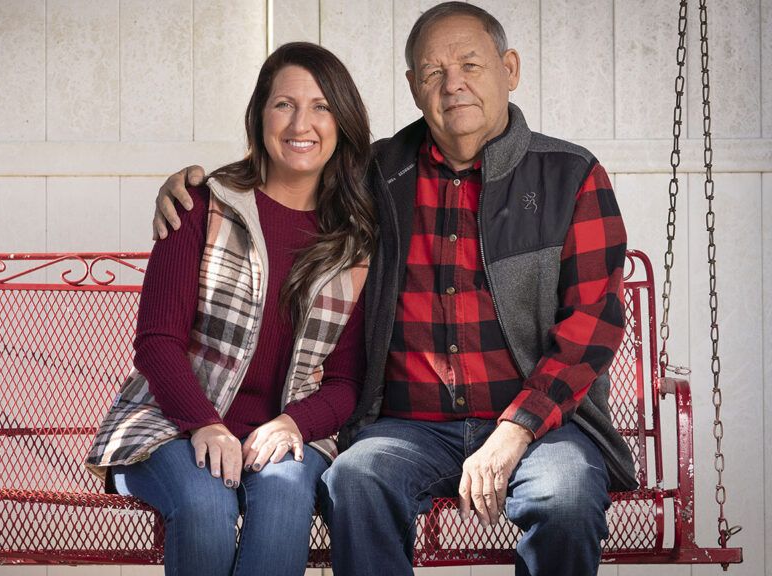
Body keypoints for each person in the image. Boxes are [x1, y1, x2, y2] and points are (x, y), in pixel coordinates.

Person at [150, 4, 635, 576]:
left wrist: (515, 429)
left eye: (471, 65)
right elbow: (287, 176)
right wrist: (193, 186)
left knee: (566, 497)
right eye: (432, 72)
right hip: (408, 426)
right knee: (355, 479)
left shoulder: (570, 175)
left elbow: (593, 326)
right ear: (412, 86)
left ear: (510, 68)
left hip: (536, 426)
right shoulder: (375, 174)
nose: (453, 86)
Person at [86, 42, 375, 576]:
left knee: (287, 496)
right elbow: (157, 342)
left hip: (286, 433)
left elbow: (344, 382)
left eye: (321, 106)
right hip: (170, 425)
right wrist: (205, 424)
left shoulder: (355, 241)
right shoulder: (203, 205)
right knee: (204, 503)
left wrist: (293, 422)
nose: (301, 123)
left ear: (342, 122)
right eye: (284, 104)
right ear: (259, 114)